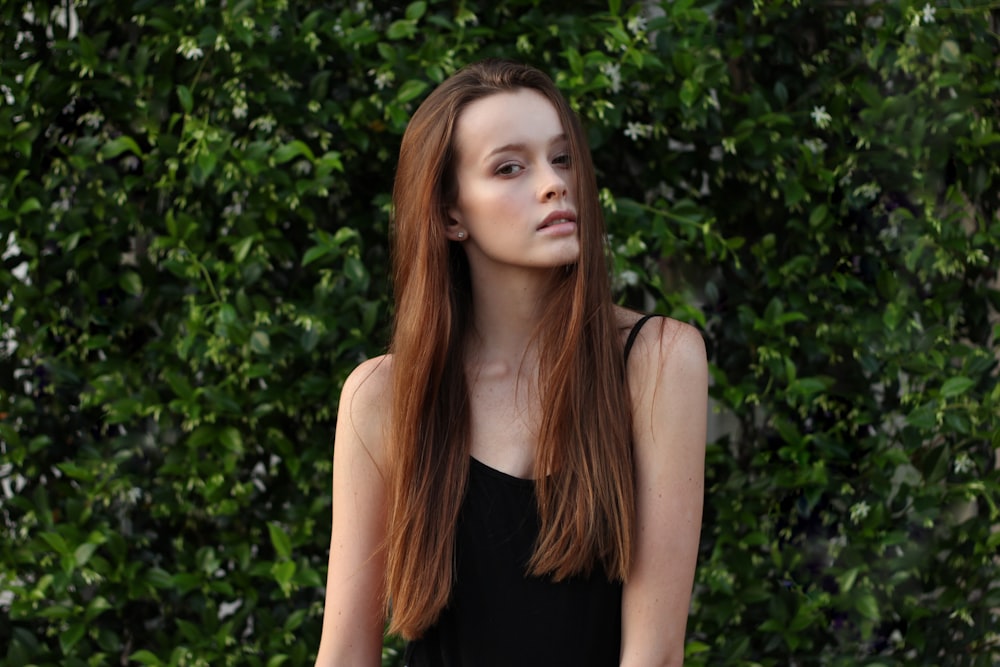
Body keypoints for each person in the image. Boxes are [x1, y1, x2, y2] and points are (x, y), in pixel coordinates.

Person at [313, 58, 707, 667]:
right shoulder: (383, 395)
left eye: (562, 158)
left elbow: (654, 656)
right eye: (509, 167)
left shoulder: (657, 363)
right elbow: (343, 656)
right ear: (449, 214)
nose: (553, 184)